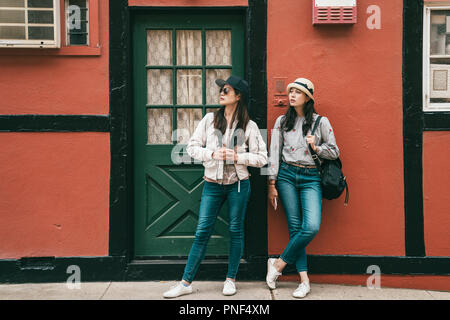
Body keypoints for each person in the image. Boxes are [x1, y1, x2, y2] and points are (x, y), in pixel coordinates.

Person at [163, 75, 268, 298]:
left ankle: (230, 279)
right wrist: (212, 153)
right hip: (212, 185)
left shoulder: (249, 126)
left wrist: (239, 157)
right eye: (221, 89)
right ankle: (185, 282)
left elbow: (262, 158)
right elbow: (191, 148)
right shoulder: (209, 120)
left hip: (239, 186)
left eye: (227, 90)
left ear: (238, 96)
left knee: (235, 230)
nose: (221, 93)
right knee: (202, 231)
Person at [266, 78, 340, 298]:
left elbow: (335, 151)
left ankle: (277, 265)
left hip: (311, 177)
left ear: (308, 98)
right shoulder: (282, 121)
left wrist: (316, 146)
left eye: (298, 92)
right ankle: (304, 281)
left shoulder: (321, 122)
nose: (292, 95)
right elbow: (274, 153)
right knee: (295, 227)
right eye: (291, 92)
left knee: (311, 227)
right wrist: (271, 183)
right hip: (287, 176)